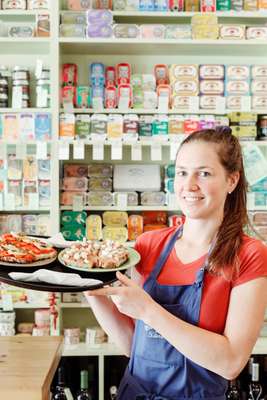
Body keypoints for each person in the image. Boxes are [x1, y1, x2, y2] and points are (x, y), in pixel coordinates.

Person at [85, 127, 267, 399]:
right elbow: (134, 345)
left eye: (204, 173)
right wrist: (90, 287)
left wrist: (148, 311)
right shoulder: (149, 245)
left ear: (231, 180)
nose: (189, 185)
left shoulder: (249, 255)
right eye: (182, 172)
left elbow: (231, 363)